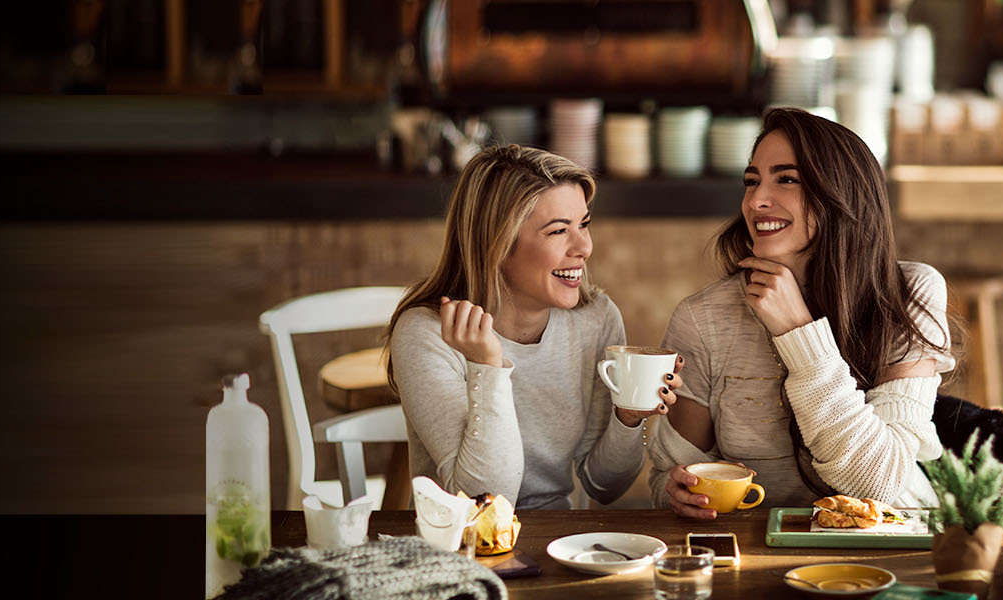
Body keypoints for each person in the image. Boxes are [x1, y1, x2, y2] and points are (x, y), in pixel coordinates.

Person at [648, 108, 957, 518]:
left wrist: (799, 332)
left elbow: (878, 484)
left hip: (894, 547)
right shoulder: (703, 319)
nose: (756, 201)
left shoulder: (908, 294)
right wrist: (677, 492)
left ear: (841, 194)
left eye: (787, 179)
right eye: (752, 181)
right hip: (757, 549)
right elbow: (667, 478)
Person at [387, 144, 681, 509]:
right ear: (496, 243)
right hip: (461, 548)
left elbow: (605, 486)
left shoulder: (596, 319)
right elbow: (485, 500)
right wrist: (488, 368)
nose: (584, 247)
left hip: (558, 543)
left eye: (584, 224)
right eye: (559, 231)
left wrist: (627, 418)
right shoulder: (429, 333)